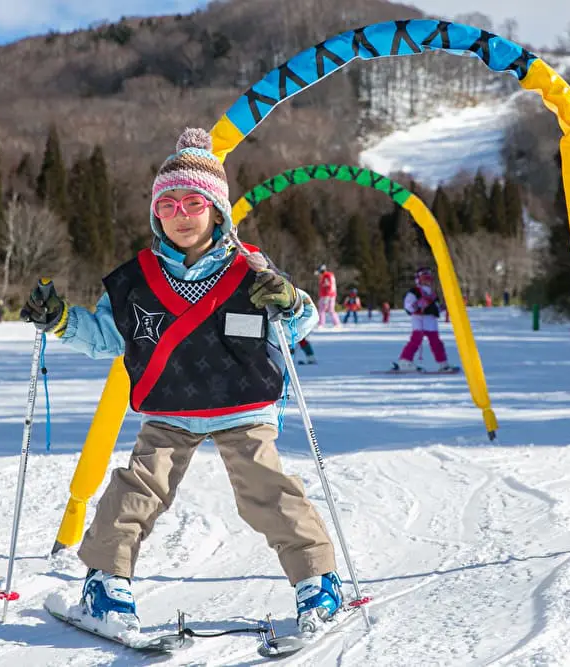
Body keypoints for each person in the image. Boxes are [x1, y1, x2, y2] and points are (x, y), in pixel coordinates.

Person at [20, 128, 342, 636]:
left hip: (242, 402)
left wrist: (288, 302)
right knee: (137, 488)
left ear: (218, 211)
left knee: (266, 490)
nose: (181, 214)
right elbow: (108, 337)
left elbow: (299, 324)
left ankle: (317, 579)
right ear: (155, 215)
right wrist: (61, 320)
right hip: (170, 406)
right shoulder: (135, 279)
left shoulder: (250, 268)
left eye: (194, 202)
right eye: (167, 204)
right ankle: (107, 582)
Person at [391, 267, 455, 372]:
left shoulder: (432, 294)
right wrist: (417, 306)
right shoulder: (415, 291)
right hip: (419, 319)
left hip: (430, 321)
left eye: (428, 279)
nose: (427, 281)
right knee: (416, 340)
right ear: (418, 280)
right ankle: (405, 361)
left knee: (436, 342)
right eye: (424, 279)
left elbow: (436, 308)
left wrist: (444, 307)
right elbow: (408, 305)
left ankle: (443, 363)